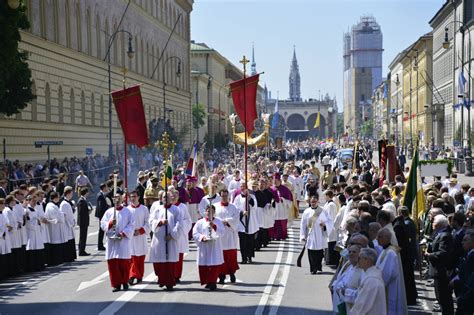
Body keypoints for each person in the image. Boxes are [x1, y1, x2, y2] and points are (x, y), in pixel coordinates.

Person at [100, 193, 135, 292]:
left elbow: (132, 224)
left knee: (124, 263)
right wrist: (110, 224)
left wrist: (124, 233)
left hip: (123, 241)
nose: (117, 200)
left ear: (122, 199)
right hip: (112, 242)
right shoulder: (109, 212)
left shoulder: (127, 211)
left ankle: (124, 282)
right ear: (112, 199)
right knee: (113, 264)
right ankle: (116, 284)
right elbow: (103, 224)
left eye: (119, 198)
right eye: (115, 198)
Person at [149, 191, 181, 291]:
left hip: (170, 240)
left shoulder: (176, 210)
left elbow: (179, 224)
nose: (165, 199)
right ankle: (161, 280)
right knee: (160, 262)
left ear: (171, 198)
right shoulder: (157, 209)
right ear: (161, 199)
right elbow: (151, 221)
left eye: (167, 197)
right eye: (163, 197)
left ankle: (170, 283)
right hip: (159, 240)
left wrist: (172, 235)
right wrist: (159, 223)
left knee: (170, 263)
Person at [425, 214, 454, 314]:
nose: (432, 223)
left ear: (439, 224)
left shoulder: (445, 235)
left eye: (434, 221)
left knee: (444, 299)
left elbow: (443, 253)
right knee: (441, 298)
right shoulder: (439, 233)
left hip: (442, 272)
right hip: (438, 271)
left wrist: (430, 255)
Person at [375, 228, 408, 315]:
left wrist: (377, 282)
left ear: (386, 238)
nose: (377, 238)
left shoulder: (390, 252)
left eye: (379, 236)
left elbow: (387, 274)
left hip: (388, 288)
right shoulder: (385, 250)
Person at [193, 204, 225, 290]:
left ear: (214, 212)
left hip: (214, 246)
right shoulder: (200, 222)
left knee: (214, 265)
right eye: (208, 211)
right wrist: (201, 237)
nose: (209, 213)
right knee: (205, 265)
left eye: (211, 211)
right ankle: (207, 281)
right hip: (204, 246)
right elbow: (195, 233)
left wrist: (214, 226)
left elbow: (222, 232)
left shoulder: (218, 221)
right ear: (205, 212)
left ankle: (213, 282)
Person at [300, 195, 333, 274]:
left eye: (314, 202)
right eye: (312, 202)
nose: (313, 203)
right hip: (310, 234)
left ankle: (318, 266)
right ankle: (312, 268)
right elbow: (303, 224)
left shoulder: (322, 210)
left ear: (317, 201)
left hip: (319, 234)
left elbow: (330, 221)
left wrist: (324, 225)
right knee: (311, 252)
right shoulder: (306, 211)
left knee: (319, 252)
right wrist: (303, 235)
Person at [350, 248, 387, 315]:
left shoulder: (371, 280)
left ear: (368, 260)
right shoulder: (372, 276)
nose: (357, 260)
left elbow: (362, 305)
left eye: (359, 258)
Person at [214, 189, 240, 284]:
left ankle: (232, 273)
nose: (224, 198)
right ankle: (221, 276)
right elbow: (213, 218)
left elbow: (236, 220)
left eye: (225, 196)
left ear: (228, 196)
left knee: (230, 256)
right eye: (222, 196)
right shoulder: (215, 207)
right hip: (220, 236)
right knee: (220, 256)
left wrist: (227, 221)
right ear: (220, 196)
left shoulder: (233, 207)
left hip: (229, 235)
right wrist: (220, 223)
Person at [127, 190, 150, 286]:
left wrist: (140, 231)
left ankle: (139, 275)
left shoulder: (144, 209)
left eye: (134, 196)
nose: (133, 198)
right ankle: (132, 276)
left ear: (138, 197)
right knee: (132, 258)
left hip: (141, 236)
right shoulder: (127, 209)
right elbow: (125, 223)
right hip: (131, 237)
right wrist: (131, 231)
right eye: (131, 196)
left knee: (140, 258)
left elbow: (148, 222)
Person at [234, 181, 259, 264]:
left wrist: (249, 199)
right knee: (243, 242)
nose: (242, 188)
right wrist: (242, 213)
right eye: (241, 186)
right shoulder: (237, 198)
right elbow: (235, 209)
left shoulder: (252, 196)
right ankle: (244, 258)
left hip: (250, 222)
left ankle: (249, 257)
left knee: (250, 241)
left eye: (244, 186)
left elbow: (255, 206)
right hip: (242, 222)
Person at [450, 230, 474, 315]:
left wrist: (462, 297)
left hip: (467, 296)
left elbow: (468, 279)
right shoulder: (467, 254)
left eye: (465, 240)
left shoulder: (472, 257)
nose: (462, 242)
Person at [24, 194, 45, 272]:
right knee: (32, 248)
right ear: (29, 201)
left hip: (37, 231)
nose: (35, 203)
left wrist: (39, 222)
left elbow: (38, 219)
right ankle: (32, 267)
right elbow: (27, 223)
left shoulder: (35, 210)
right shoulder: (27, 210)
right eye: (33, 201)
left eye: (36, 201)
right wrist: (36, 221)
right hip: (31, 232)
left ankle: (39, 265)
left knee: (38, 248)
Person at [45, 192, 65, 266]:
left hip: (56, 227)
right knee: (55, 244)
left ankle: (58, 259)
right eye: (58, 197)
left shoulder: (53, 205)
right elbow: (56, 218)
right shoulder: (51, 206)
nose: (59, 198)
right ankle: (55, 260)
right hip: (54, 228)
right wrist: (61, 216)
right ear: (55, 198)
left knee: (57, 243)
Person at [60, 186, 77, 262]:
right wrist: (70, 223)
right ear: (68, 193)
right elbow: (64, 215)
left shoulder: (68, 202)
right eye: (71, 193)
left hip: (70, 225)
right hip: (67, 226)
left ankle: (71, 256)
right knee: (68, 241)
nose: (72, 194)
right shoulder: (64, 204)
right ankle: (68, 257)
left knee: (71, 240)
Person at [76, 187, 91, 256]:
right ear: (86, 193)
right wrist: (88, 211)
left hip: (84, 221)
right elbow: (81, 212)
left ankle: (82, 249)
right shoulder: (81, 201)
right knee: (83, 236)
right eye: (87, 192)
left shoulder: (83, 200)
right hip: (83, 221)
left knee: (83, 236)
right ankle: (81, 251)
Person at [95, 183, 109, 251]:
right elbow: (100, 207)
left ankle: (100, 244)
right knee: (101, 230)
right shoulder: (100, 195)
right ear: (103, 188)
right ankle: (100, 245)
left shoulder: (102, 194)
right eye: (106, 187)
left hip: (102, 214)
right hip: (102, 215)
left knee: (102, 230)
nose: (107, 188)